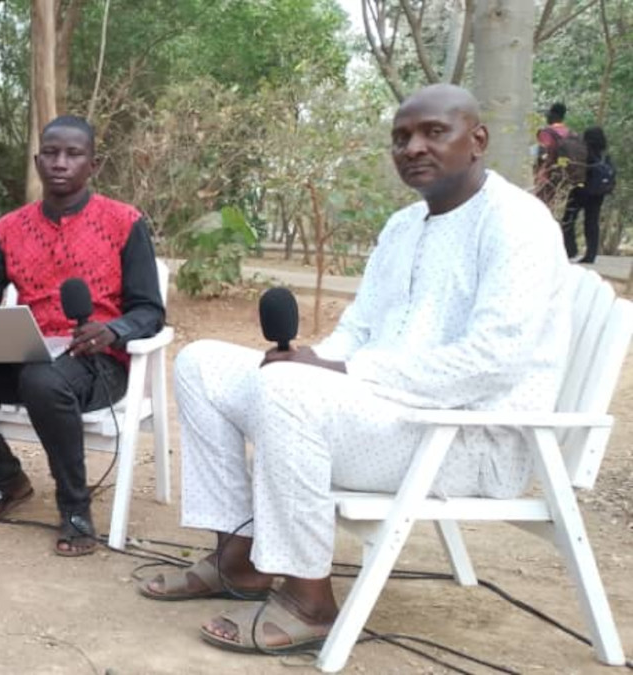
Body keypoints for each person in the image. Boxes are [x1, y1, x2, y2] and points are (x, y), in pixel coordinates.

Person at [137, 84, 569, 655]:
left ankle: (308, 599)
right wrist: (313, 358)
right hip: (388, 417)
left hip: (468, 439)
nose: (413, 147)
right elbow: (358, 329)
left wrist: (343, 371)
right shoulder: (402, 227)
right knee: (203, 363)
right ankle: (238, 556)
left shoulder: (518, 222)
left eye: (433, 132)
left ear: (477, 140)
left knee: (289, 389)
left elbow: (492, 361)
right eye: (401, 138)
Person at [0, 116, 164, 556]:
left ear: (93, 164)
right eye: (51, 153)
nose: (60, 162)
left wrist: (113, 330)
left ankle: (75, 509)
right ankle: (7, 481)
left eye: (73, 154)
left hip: (98, 363)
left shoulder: (125, 223)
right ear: (37, 161)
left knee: (44, 380)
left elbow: (150, 310)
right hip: (25, 354)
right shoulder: (8, 229)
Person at [561, 126, 613, 264]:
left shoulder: (584, 151)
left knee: (568, 218)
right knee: (592, 222)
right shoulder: (604, 154)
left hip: (581, 190)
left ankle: (570, 249)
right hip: (598, 192)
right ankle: (591, 254)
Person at [535, 102, 576, 205]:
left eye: (549, 114)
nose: (547, 116)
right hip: (565, 177)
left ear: (554, 115)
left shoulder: (547, 133)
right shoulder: (570, 133)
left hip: (547, 176)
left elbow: (542, 155)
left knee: (541, 206)